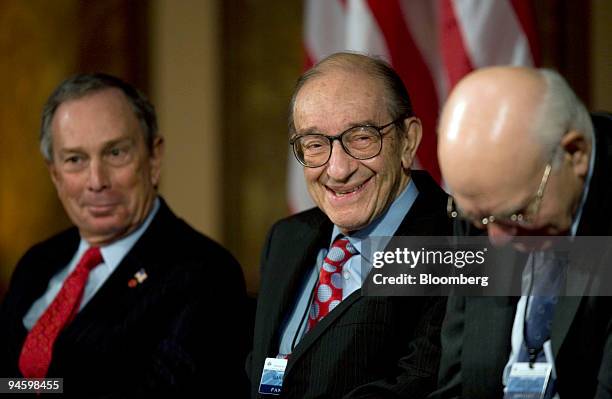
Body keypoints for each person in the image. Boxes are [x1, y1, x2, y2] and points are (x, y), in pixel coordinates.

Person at [0, 73, 250, 397]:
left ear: (154, 156)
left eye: (115, 153)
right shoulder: (38, 262)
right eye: (75, 159)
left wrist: (22, 390)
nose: (96, 181)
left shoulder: (204, 272)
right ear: (55, 174)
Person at [248, 52, 452, 398]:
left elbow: (417, 387)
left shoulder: (459, 243)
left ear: (408, 140)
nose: (338, 169)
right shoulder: (286, 238)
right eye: (314, 144)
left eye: (361, 137)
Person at [433, 67, 612, 398]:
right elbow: (456, 383)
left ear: (575, 155)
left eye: (517, 214)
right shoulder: (489, 202)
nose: (497, 239)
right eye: (478, 220)